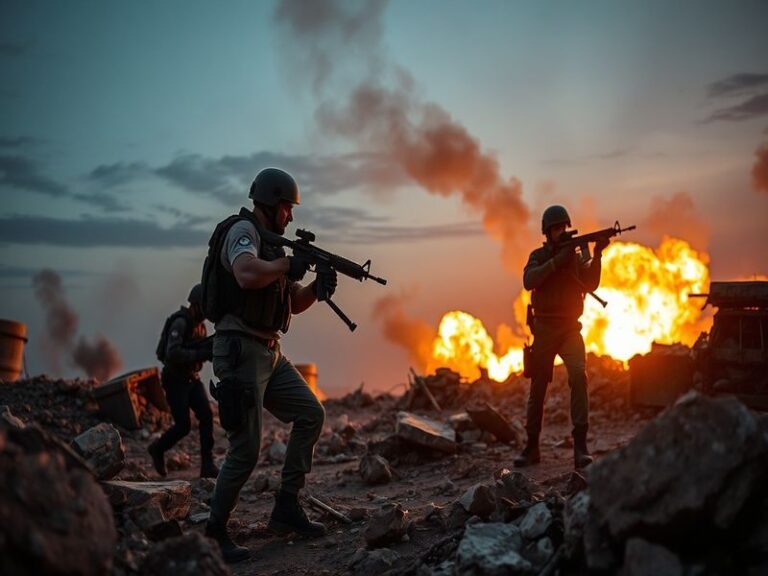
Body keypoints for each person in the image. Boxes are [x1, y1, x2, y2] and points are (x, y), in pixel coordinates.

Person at [203, 167, 336, 563]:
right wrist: (285, 266)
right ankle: (214, 532)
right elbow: (245, 272)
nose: (291, 217)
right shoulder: (242, 233)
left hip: (269, 352)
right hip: (240, 350)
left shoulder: (273, 246)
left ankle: (287, 507)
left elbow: (291, 302)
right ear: (270, 203)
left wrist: (316, 289)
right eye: (286, 208)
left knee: (311, 413)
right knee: (245, 449)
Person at [514, 205, 609, 470]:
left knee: (579, 374)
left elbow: (590, 284)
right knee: (538, 386)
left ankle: (581, 446)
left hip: (570, 328)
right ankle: (532, 446)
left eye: (563, 227)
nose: (561, 232)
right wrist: (557, 261)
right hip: (544, 328)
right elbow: (529, 280)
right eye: (556, 228)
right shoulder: (539, 256)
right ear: (547, 232)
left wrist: (598, 254)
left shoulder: (574, 259)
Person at [148, 284, 218, 478]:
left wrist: (208, 352)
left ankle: (207, 464)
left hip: (191, 379)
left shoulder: (201, 327)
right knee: (183, 425)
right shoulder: (181, 322)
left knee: (206, 415)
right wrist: (200, 353)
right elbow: (173, 352)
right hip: (175, 379)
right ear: (195, 305)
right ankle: (157, 448)